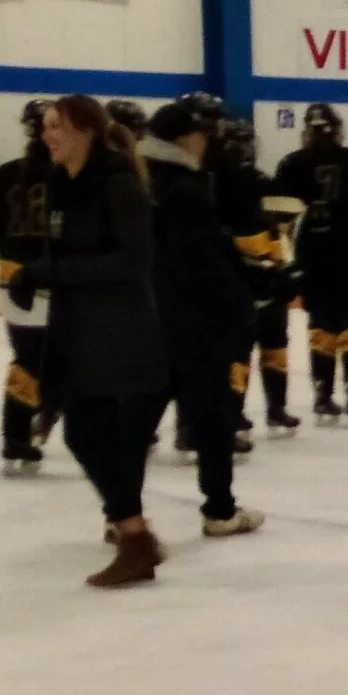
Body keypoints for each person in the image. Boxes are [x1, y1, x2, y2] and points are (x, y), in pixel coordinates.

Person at [7, 97, 170, 587]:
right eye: (45, 127)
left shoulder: (118, 185)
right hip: (78, 329)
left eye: (56, 127)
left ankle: (135, 539)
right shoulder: (66, 184)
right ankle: (135, 537)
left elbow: (131, 262)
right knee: (88, 434)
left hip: (117, 333)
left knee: (89, 435)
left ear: (85, 130)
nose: (46, 135)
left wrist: (49, 272)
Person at [143, 97, 264, 538]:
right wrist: (243, 304)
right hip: (196, 327)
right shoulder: (184, 190)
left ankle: (122, 517)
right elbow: (205, 262)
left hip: (150, 323)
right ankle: (220, 509)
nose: (205, 143)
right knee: (213, 419)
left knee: (137, 424)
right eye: (200, 135)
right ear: (181, 139)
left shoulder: (143, 184)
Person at [265, 103, 348, 423]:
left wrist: (293, 255)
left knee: (321, 325)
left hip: (312, 255)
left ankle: (323, 395)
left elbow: (281, 220)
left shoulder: (291, 164)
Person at [0, 98, 55, 475]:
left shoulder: (3, 174)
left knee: (28, 360)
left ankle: (18, 434)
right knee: (51, 359)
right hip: (55, 279)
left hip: (12, 279)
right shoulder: (68, 175)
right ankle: (32, 424)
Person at [219, 119, 300, 437]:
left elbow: (280, 229)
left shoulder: (257, 182)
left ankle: (274, 408)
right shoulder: (227, 183)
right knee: (241, 349)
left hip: (264, 273)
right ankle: (237, 412)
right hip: (243, 277)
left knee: (273, 343)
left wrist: (284, 267)